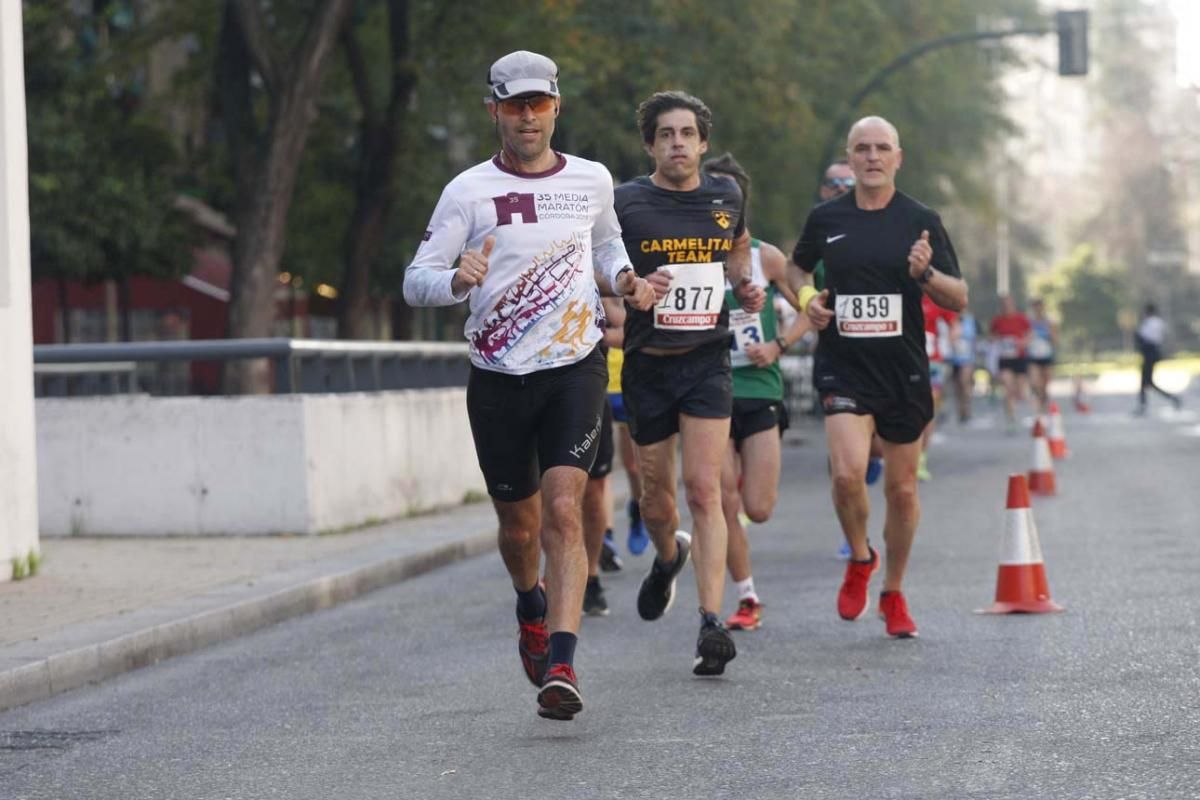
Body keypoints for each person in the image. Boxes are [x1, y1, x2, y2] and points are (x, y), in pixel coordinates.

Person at [402, 51, 656, 721]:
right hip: (497, 377)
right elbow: (415, 278)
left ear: (555, 107)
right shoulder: (467, 192)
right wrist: (457, 279)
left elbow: (607, 247)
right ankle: (530, 605)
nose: (526, 117)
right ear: (494, 110)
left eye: (537, 104)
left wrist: (626, 280)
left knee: (565, 509)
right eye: (514, 105)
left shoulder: (591, 180)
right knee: (520, 529)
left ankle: (564, 664)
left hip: (575, 366)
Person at [792, 116, 968, 638]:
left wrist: (926, 274)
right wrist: (807, 302)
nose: (871, 157)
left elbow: (959, 297)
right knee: (846, 474)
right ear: (850, 158)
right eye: (862, 149)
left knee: (904, 490)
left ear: (898, 158)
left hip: (902, 370)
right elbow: (796, 270)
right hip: (844, 366)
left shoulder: (921, 219)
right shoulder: (826, 218)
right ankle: (861, 556)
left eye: (881, 148)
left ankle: (892, 590)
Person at [615, 90, 765, 676]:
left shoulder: (726, 195)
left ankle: (710, 623)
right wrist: (631, 285)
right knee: (657, 500)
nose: (677, 143)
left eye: (687, 133)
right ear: (651, 144)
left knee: (705, 490)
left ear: (703, 143)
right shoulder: (626, 202)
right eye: (666, 134)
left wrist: (744, 283)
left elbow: (739, 247)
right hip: (649, 364)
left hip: (707, 360)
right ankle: (666, 552)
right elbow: (597, 268)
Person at [701, 153, 810, 632]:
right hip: (708, 391)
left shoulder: (766, 257)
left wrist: (780, 343)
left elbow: (810, 308)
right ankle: (746, 596)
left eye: (729, 193)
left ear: (741, 200)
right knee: (721, 499)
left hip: (760, 388)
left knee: (758, 509)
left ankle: (733, 529)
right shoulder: (691, 258)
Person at [989, 295, 1032, 433]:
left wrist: (1023, 342)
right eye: (1004, 304)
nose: (1007, 307)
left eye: (1009, 304)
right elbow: (992, 336)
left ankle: (1016, 405)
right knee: (1008, 388)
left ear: (1013, 305)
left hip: (1019, 357)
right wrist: (998, 343)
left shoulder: (1021, 318)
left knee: (1020, 391)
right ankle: (1011, 418)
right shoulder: (997, 320)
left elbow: (1030, 334)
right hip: (1005, 358)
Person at [1134, 302, 1182, 414]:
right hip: (1154, 352)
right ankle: (1144, 405)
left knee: (1146, 381)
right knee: (1147, 381)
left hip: (1149, 353)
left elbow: (1143, 337)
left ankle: (1145, 405)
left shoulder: (1149, 323)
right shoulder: (1159, 322)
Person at [1027, 298, 1058, 414]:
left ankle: (1044, 400)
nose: (1038, 309)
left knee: (1045, 383)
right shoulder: (1029, 322)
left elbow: (1055, 339)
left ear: (1043, 307)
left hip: (1046, 355)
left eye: (1040, 307)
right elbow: (1024, 338)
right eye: (1036, 307)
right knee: (1035, 382)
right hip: (1033, 356)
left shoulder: (1050, 322)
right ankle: (1039, 399)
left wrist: (1049, 335)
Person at [948, 309, 977, 424]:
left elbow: (973, 339)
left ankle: (966, 408)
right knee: (957, 386)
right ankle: (960, 410)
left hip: (966, 358)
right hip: (952, 358)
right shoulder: (949, 317)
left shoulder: (969, 320)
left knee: (964, 382)